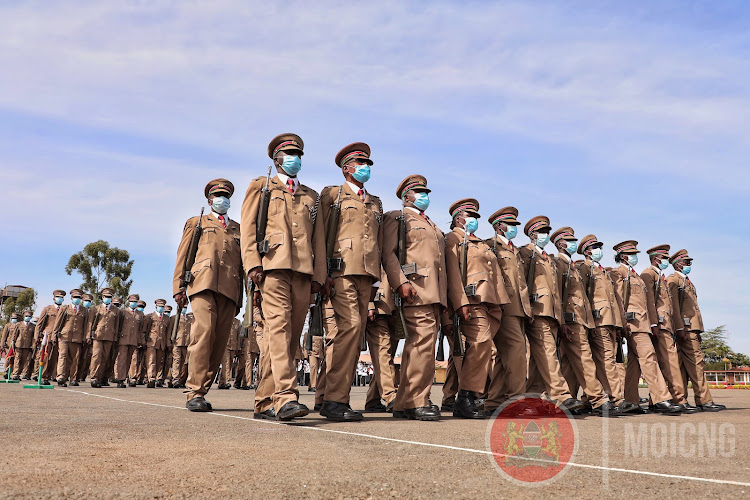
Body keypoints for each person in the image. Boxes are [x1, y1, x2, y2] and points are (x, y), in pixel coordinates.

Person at [241, 133, 322, 421]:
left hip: (303, 272)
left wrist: (319, 277)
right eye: (288, 154)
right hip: (272, 268)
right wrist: (252, 264)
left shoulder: (312, 196)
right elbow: (249, 228)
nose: (294, 159)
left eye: (298, 154)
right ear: (276, 159)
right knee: (278, 329)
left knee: (288, 340)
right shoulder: (262, 187)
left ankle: (263, 401)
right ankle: (286, 396)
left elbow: (319, 240)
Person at [312, 142, 383, 422]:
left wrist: (379, 282)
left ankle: (330, 396)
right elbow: (320, 235)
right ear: (346, 169)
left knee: (352, 336)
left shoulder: (375, 201)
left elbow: (377, 241)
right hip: (340, 272)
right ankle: (334, 401)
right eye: (361, 164)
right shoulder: (332, 195)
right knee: (350, 328)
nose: (366, 168)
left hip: (367, 274)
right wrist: (321, 274)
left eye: (368, 164)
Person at [173, 178, 243, 412]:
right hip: (202, 283)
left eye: (226, 196)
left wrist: (242, 297)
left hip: (230, 288)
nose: (222, 199)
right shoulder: (197, 222)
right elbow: (183, 256)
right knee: (203, 333)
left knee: (219, 340)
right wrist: (178, 288)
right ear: (209, 199)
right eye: (218, 196)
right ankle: (194, 391)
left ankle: (203, 388)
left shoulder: (237, 228)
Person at [382, 175, 447, 421]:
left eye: (426, 191)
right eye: (419, 191)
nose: (424, 196)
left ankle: (405, 402)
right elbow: (389, 254)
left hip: (433, 294)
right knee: (420, 346)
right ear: (406, 196)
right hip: (416, 291)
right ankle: (417, 400)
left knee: (422, 348)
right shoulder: (397, 218)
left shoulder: (431, 224)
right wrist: (401, 283)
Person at [445, 198, 510, 419]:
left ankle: (470, 397)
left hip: (491, 303)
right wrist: (460, 301)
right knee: (481, 343)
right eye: (470, 216)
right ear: (459, 218)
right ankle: (466, 397)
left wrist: (499, 303)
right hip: (471, 300)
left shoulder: (480, 242)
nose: (474, 220)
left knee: (481, 349)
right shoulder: (452, 238)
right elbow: (453, 273)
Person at [519, 216, 583, 412]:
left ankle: (532, 400)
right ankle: (561, 395)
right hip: (537, 311)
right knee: (547, 353)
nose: (546, 236)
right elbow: (523, 284)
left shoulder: (548, 259)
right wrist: (525, 309)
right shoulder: (526, 253)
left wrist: (561, 320)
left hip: (552, 313)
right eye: (543, 232)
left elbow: (557, 293)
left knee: (540, 361)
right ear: (532, 234)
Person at [610, 240, 681, 414]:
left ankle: (630, 401)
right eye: (633, 254)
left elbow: (647, 303)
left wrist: (652, 323)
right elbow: (618, 300)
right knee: (649, 357)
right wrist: (621, 324)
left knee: (635, 363)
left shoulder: (635, 276)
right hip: (632, 323)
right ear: (624, 256)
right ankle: (661, 398)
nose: (635, 257)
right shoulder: (618, 273)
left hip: (642, 323)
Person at [551, 227, 613, 416]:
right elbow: (558, 295)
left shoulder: (571, 266)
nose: (572, 243)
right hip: (571, 320)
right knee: (584, 358)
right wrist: (562, 321)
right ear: (560, 244)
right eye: (569, 240)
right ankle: (597, 399)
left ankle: (567, 400)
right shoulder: (559, 264)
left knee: (571, 362)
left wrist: (590, 323)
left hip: (581, 319)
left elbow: (584, 298)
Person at [484, 207, 532, 414]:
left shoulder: (515, 250)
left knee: (506, 358)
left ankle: (493, 402)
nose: (514, 228)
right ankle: (515, 401)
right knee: (516, 354)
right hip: (504, 307)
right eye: (510, 225)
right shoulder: (490, 246)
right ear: (499, 227)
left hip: (519, 308)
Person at [667, 249, 725, 412]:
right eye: (686, 263)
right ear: (677, 264)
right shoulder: (674, 280)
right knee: (696, 364)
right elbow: (674, 307)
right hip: (685, 329)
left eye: (689, 263)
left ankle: (680, 399)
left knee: (683, 367)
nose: (688, 265)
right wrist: (679, 328)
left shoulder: (687, 282)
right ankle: (703, 400)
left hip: (691, 329)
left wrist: (698, 331)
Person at [576, 235, 628, 410]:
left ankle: (588, 399)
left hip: (610, 320)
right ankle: (616, 398)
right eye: (595, 247)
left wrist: (619, 325)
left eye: (599, 246)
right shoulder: (584, 268)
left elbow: (614, 300)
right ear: (587, 251)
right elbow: (583, 295)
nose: (599, 250)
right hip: (598, 319)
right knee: (607, 359)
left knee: (605, 359)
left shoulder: (603, 271)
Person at [363, 277, 398, 412]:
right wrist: (369, 303)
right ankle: (391, 395)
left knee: (386, 356)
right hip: (377, 305)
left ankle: (373, 398)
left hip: (395, 306)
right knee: (383, 352)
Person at [53, 289, 89, 387]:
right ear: (71, 298)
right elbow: (58, 323)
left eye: (78, 298)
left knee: (74, 359)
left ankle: (73, 379)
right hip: (64, 336)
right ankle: (61, 377)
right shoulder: (64, 308)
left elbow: (86, 325)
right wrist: (54, 335)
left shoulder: (84, 310)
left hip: (77, 338)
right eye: (75, 297)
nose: (76, 299)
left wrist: (86, 337)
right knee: (63, 356)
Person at [88, 288, 121, 388]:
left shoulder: (116, 310)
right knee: (96, 357)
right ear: (102, 297)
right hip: (97, 336)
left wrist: (115, 338)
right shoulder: (96, 309)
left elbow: (116, 325)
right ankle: (94, 378)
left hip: (109, 336)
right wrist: (88, 335)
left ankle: (101, 378)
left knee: (105, 358)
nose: (107, 298)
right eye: (106, 297)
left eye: (109, 297)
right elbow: (90, 324)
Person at [33, 289, 67, 384]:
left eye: (61, 298)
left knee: (55, 358)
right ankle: (43, 376)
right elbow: (39, 324)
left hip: (58, 337)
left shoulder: (65, 310)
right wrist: (37, 336)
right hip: (47, 336)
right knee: (45, 357)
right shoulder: (47, 309)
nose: (59, 299)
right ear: (54, 298)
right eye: (58, 297)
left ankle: (51, 375)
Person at [115, 294, 144, 388]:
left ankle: (129, 378)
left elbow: (141, 329)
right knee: (122, 359)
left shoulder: (140, 314)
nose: (133, 303)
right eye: (132, 302)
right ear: (128, 302)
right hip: (123, 339)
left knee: (129, 360)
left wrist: (139, 340)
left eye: (135, 302)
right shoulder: (123, 312)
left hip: (134, 340)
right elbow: (118, 326)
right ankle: (120, 379)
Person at [143, 299, 169, 388]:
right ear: (156, 307)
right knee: (151, 361)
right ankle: (151, 379)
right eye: (159, 306)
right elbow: (144, 330)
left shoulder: (166, 318)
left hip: (162, 343)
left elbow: (167, 332)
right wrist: (143, 341)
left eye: (162, 306)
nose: (161, 308)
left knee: (159, 362)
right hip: (152, 342)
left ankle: (156, 377)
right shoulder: (150, 317)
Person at [169, 307, 192, 389]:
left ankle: (181, 379)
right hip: (177, 342)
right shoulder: (174, 318)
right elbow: (170, 330)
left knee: (185, 362)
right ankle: (175, 379)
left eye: (186, 307)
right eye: (183, 307)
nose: (184, 309)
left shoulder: (190, 318)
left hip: (186, 343)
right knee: (177, 360)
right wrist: (170, 342)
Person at [218, 317, 241, 390]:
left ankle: (221, 382)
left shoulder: (237, 322)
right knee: (226, 363)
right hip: (225, 345)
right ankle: (227, 381)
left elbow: (238, 336)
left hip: (233, 346)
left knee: (229, 364)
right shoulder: (225, 319)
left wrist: (238, 347)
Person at [12, 310, 35, 380]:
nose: (27, 317)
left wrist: (33, 345)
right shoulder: (19, 324)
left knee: (23, 360)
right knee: (17, 359)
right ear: (24, 316)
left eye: (29, 316)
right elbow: (15, 334)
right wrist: (13, 341)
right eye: (26, 316)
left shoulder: (33, 326)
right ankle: (15, 374)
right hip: (19, 344)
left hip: (27, 346)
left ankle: (18, 374)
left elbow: (33, 337)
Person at [76, 293, 95, 382]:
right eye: (85, 301)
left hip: (88, 338)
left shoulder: (92, 311)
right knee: (75, 357)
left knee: (85, 358)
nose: (87, 303)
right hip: (78, 337)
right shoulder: (78, 310)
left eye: (89, 301)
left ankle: (81, 375)